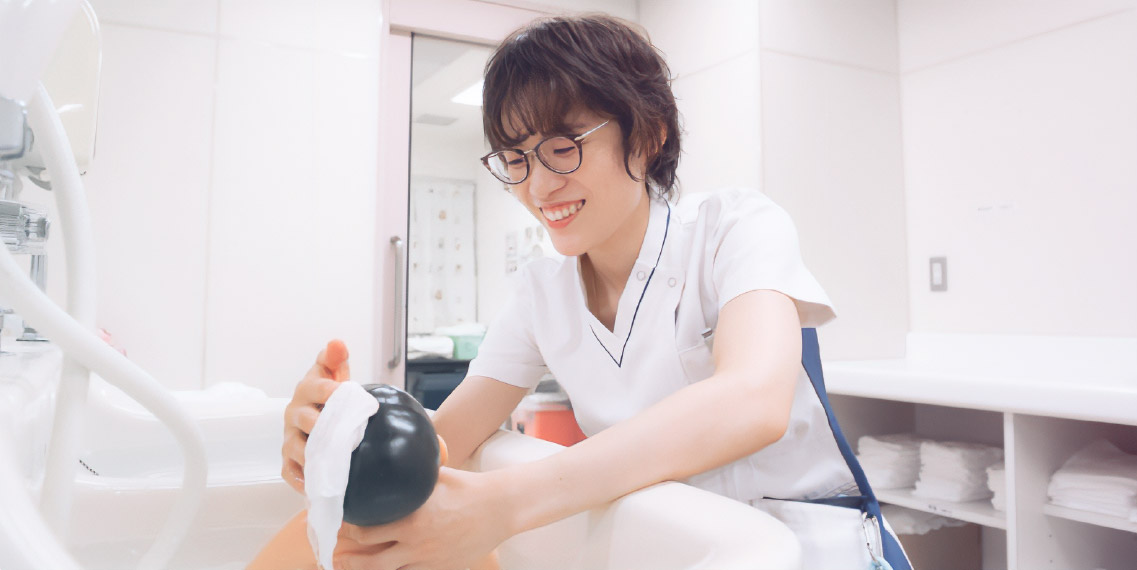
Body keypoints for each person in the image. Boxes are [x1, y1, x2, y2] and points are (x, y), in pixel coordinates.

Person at [272, 13, 909, 570]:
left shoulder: (733, 229)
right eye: (516, 159)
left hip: (804, 542)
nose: (537, 187)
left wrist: (506, 504)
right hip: (665, 541)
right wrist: (342, 442)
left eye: (562, 147)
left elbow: (753, 402)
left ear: (649, 133)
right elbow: (447, 441)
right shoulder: (541, 292)